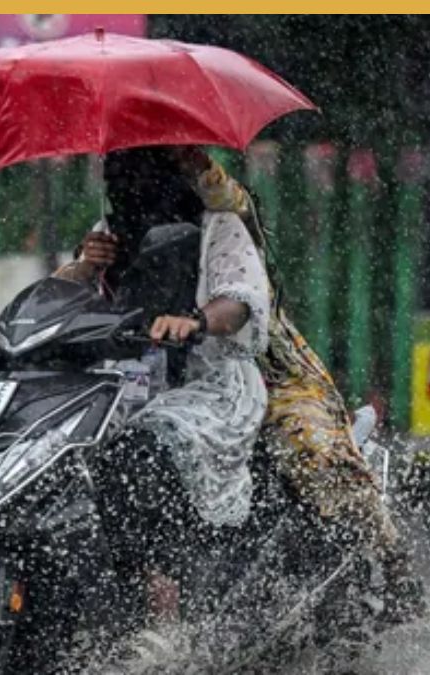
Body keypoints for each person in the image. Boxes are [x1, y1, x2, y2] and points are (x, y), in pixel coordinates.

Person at [148, 149, 425, 627]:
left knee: (314, 450)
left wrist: (194, 163)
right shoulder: (127, 233)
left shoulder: (226, 227)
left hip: (270, 373)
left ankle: (397, 566)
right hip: (180, 384)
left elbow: (231, 217)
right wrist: (87, 263)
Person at [56, 147, 272, 617]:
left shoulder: (222, 225)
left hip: (206, 386)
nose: (129, 186)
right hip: (118, 388)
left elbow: (239, 300)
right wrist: (84, 266)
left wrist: (195, 322)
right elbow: (60, 298)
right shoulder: (107, 234)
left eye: (142, 172)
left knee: (136, 459)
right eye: (119, 174)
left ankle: (164, 606)